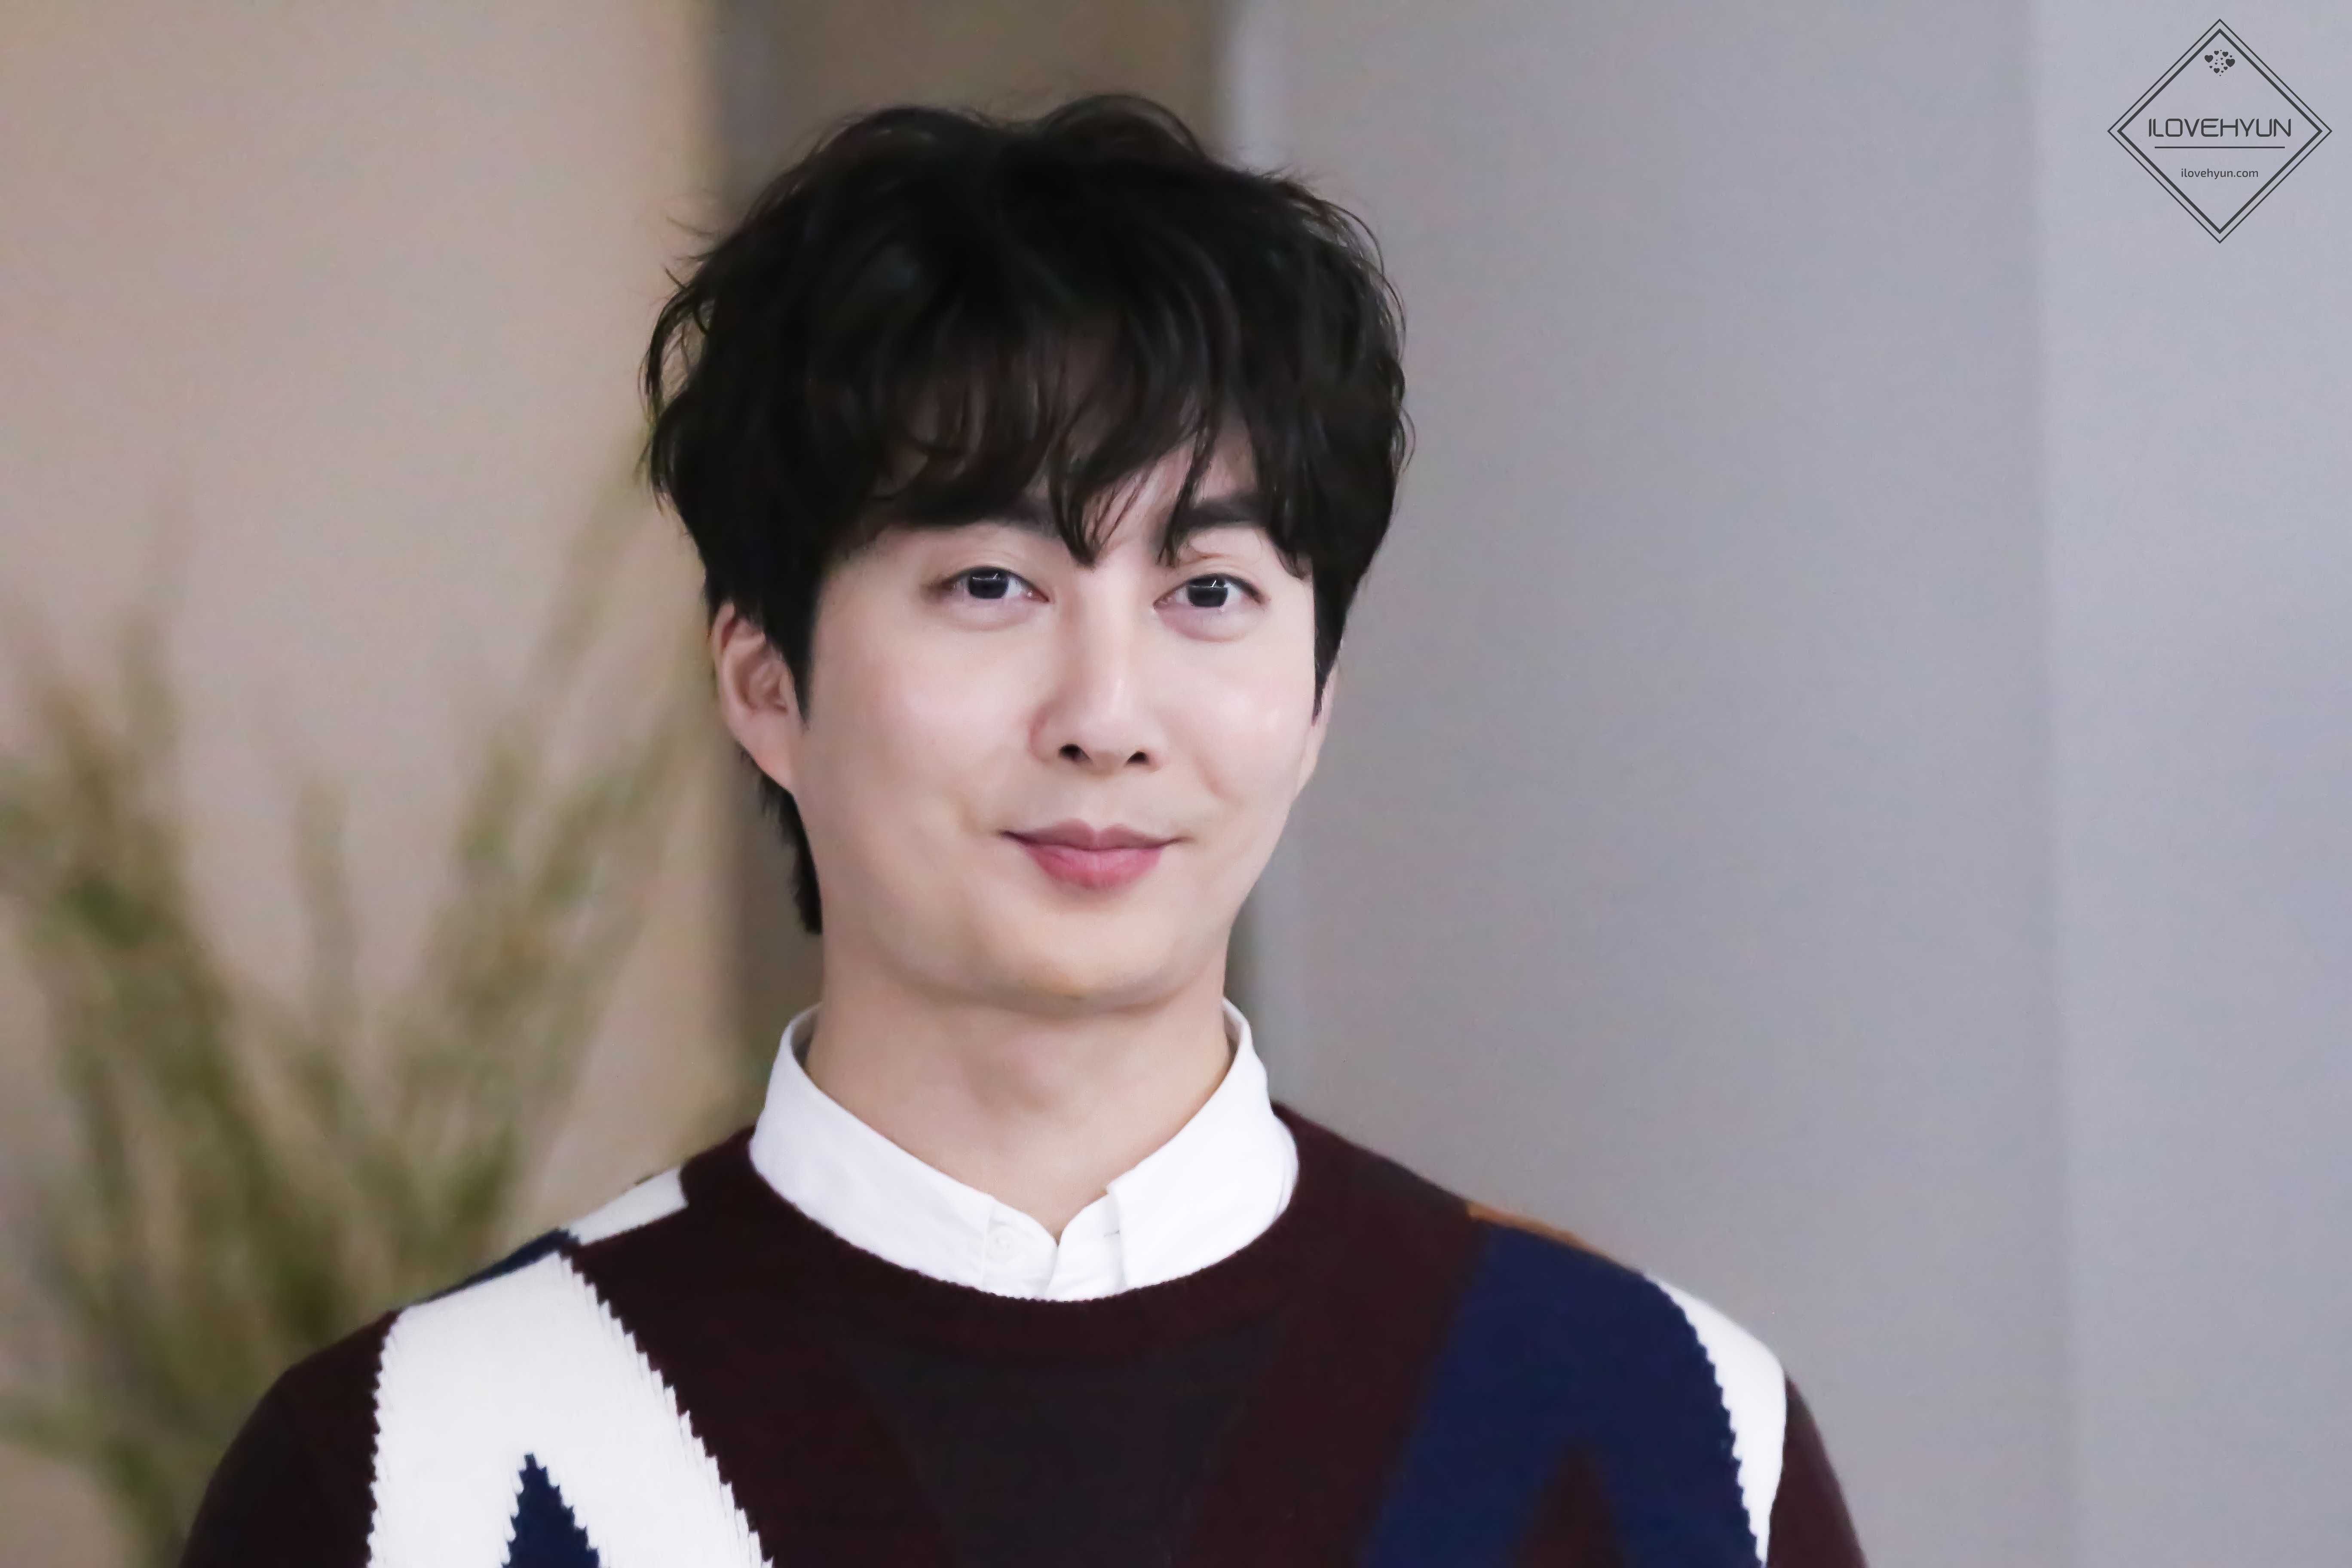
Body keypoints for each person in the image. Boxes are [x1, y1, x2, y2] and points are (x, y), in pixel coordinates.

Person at [183, 96, 1865, 1567]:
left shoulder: (1665, 1435)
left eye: (1210, 590)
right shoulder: (411, 1472)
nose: (1105, 712)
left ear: (1317, 701)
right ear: (764, 682)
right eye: (991, 583)